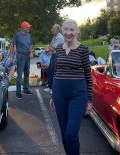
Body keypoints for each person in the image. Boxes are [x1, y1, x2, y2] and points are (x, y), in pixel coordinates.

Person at [50, 19, 92, 155]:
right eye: (66, 29)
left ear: (77, 31)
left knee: (71, 134)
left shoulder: (83, 50)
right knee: (64, 133)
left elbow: (88, 76)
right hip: (59, 94)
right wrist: (52, 95)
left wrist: (89, 101)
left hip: (78, 95)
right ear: (62, 31)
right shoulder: (58, 49)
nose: (69, 33)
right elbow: (56, 72)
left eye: (72, 30)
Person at [11, 21, 34, 99]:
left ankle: (26, 89)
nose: (29, 28)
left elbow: (30, 45)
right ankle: (18, 92)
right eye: (27, 27)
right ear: (23, 27)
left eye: (29, 27)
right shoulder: (18, 35)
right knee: (19, 74)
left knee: (27, 73)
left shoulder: (29, 35)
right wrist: (14, 54)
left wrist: (31, 52)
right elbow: (13, 44)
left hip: (27, 55)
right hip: (20, 55)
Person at [44, 24, 65, 94]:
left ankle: (54, 89)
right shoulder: (55, 36)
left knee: (54, 73)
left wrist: (48, 47)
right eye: (52, 28)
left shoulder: (59, 37)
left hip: (58, 56)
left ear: (58, 29)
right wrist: (49, 47)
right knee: (50, 71)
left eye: (53, 28)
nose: (52, 30)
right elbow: (51, 47)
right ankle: (50, 87)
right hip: (54, 55)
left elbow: (52, 48)